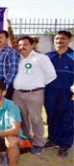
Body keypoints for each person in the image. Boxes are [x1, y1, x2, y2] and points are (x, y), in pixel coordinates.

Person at [13, 36, 56, 154]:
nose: (22, 47)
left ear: (32, 45)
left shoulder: (41, 58)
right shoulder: (17, 58)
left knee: (35, 119)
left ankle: (38, 143)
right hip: (18, 94)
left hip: (34, 93)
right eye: (20, 45)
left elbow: (51, 75)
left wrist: (38, 84)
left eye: (25, 44)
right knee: (21, 119)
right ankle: (26, 140)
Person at [44, 30, 74, 158]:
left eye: (63, 39)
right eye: (57, 39)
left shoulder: (73, 56)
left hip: (67, 92)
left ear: (69, 40)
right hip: (49, 92)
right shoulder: (48, 56)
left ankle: (65, 144)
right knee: (52, 116)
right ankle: (53, 139)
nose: (59, 41)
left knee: (67, 118)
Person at [0, 30, 20, 99]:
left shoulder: (11, 52)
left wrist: (5, 86)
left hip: (4, 85)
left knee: (5, 108)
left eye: (0, 37)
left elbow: (13, 70)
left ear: (7, 39)